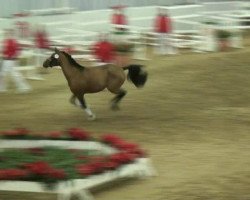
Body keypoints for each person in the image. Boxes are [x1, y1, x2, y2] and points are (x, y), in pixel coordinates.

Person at [0, 29, 31, 93]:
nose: (7, 34)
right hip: (6, 60)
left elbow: (18, 51)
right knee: (4, 74)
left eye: (8, 33)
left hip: (9, 60)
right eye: (6, 33)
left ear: (11, 34)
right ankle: (2, 87)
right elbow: (3, 51)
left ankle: (24, 87)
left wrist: (13, 57)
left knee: (13, 74)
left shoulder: (13, 42)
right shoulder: (5, 41)